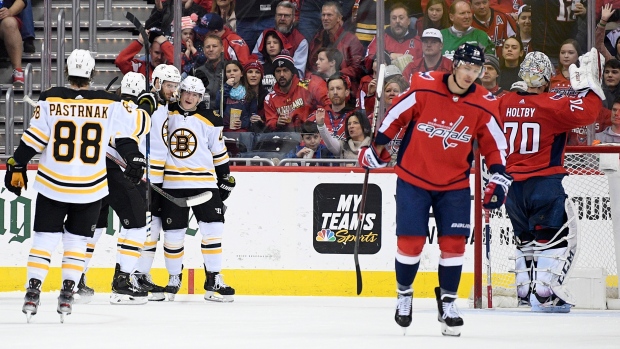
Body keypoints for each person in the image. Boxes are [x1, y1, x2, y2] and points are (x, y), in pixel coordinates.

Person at [357, 43, 509, 336]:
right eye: (466, 67)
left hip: (454, 183)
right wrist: (377, 146)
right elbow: (395, 115)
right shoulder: (424, 86)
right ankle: (404, 296)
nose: (470, 74)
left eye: (476, 70)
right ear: (455, 65)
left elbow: (495, 144)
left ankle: (448, 303)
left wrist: (499, 176)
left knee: (454, 245)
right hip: (414, 178)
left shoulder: (484, 102)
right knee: (411, 242)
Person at [7, 49, 148, 321]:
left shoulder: (50, 98)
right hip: (90, 187)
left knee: (44, 240)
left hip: (52, 183)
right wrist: (135, 159)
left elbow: (33, 139)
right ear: (93, 73)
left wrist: (17, 165)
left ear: (67, 72)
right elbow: (123, 139)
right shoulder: (109, 102)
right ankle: (68, 290)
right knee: (77, 241)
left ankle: (34, 289)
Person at [499, 49, 604, 312]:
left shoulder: (502, 102)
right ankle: (545, 295)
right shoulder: (552, 104)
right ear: (545, 81)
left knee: (524, 239)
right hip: (544, 182)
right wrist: (589, 86)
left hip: (511, 187)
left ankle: (524, 293)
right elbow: (589, 113)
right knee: (552, 238)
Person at [159, 76, 236, 302]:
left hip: (204, 183)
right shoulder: (166, 113)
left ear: (201, 97)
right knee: (173, 236)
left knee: (213, 231)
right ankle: (174, 278)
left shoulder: (210, 119)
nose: (190, 97)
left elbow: (219, 152)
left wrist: (225, 177)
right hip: (172, 184)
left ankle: (213, 280)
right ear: (179, 92)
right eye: (186, 92)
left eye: (195, 94)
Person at [134, 64, 182, 301]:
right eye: (168, 85)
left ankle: (142, 273)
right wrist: (148, 97)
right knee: (144, 227)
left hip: (160, 175)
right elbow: (142, 106)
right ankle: (133, 274)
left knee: (153, 228)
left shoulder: (165, 105)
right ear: (156, 83)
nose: (172, 90)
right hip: (145, 173)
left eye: (175, 86)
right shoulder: (149, 99)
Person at [307, 1, 365, 94]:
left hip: (342, 87)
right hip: (319, 86)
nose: (325, 18)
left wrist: (336, 75)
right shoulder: (318, 37)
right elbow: (310, 65)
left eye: (329, 15)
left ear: (339, 18)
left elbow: (357, 68)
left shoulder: (351, 39)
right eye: (323, 15)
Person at [264, 54, 329, 131]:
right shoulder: (269, 98)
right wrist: (277, 123)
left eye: (285, 70)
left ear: (292, 72)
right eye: (278, 71)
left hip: (310, 134)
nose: (281, 75)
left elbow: (328, 102)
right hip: (285, 138)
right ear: (274, 74)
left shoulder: (307, 85)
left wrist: (313, 118)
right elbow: (270, 121)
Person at [253, 1, 309, 76]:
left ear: (293, 19)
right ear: (275, 17)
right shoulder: (265, 35)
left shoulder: (301, 41)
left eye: (286, 16)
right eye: (279, 15)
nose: (282, 18)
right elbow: (255, 59)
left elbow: (298, 73)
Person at [364, 4, 423, 74]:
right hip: (385, 82)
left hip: (410, 81)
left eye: (401, 18)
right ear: (390, 21)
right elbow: (368, 61)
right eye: (394, 18)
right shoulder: (380, 38)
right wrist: (388, 56)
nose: (397, 21)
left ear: (409, 21)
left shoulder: (419, 42)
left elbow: (425, 66)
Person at [308, 74, 357, 140]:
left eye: (339, 88)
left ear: (347, 92)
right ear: (328, 94)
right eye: (332, 89)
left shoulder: (355, 117)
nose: (335, 92)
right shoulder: (317, 116)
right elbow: (304, 142)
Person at [216, 60, 258, 132]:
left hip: (243, 131)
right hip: (224, 130)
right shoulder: (222, 90)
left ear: (241, 74)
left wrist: (243, 123)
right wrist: (226, 87)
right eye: (228, 71)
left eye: (235, 70)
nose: (232, 73)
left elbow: (253, 116)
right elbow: (218, 106)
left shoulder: (250, 93)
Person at [195, 34, 226, 106]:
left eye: (214, 46)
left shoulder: (230, 69)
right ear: (204, 50)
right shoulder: (198, 72)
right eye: (208, 47)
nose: (211, 49)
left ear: (222, 49)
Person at [0, 0, 26, 84]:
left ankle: (18, 71)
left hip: (4, 19)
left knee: (10, 23)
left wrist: (10, 11)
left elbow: (21, 1)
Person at [243, 59, 270, 132]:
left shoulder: (267, 96)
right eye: (250, 72)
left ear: (261, 76)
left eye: (257, 72)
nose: (253, 75)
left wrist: (261, 121)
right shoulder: (239, 94)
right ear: (245, 75)